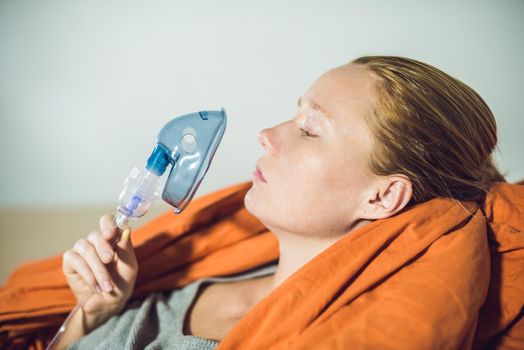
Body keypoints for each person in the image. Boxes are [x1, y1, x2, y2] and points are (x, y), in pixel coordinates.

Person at [55, 55, 505, 349]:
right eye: (295, 115)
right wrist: (92, 314)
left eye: (310, 130)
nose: (267, 135)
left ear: (383, 196)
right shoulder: (214, 267)